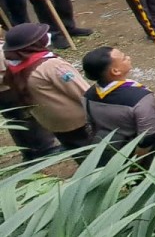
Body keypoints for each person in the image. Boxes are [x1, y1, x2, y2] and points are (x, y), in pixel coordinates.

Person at [2, 22, 93, 154]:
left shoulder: (15, 65)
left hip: (52, 122)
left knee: (76, 150)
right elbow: (81, 91)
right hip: (77, 120)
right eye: (43, 35)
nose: (47, 36)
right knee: (92, 149)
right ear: (34, 44)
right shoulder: (52, 65)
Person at [81, 46, 155, 164]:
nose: (128, 58)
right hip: (146, 151)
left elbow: (91, 124)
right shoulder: (140, 97)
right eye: (124, 58)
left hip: (116, 148)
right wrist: (136, 161)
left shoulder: (88, 95)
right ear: (115, 71)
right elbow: (149, 135)